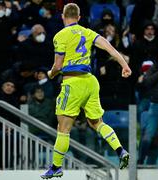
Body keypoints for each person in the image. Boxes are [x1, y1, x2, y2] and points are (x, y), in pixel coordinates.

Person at [40, 3, 131, 179]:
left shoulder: (60, 35)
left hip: (72, 82)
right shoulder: (88, 32)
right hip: (90, 81)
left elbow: (58, 66)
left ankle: (56, 167)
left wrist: (50, 74)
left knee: (63, 128)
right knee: (97, 123)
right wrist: (124, 65)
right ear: (79, 17)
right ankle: (120, 150)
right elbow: (110, 48)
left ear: (62, 17)